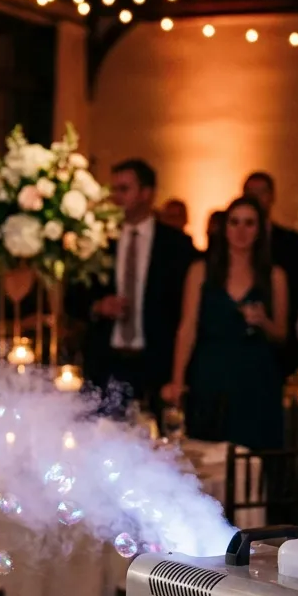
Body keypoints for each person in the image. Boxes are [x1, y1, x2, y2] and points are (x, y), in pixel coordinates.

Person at [162, 196, 288, 448]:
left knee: (253, 451)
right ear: (225, 227)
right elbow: (187, 328)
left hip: (256, 376)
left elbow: (281, 334)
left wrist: (263, 321)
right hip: (211, 371)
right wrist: (177, 380)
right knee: (207, 448)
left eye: (249, 223)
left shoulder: (274, 276)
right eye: (234, 222)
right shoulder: (201, 270)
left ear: (260, 230)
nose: (241, 231)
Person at [78, 158, 196, 416]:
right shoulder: (99, 239)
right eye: (114, 189)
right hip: (107, 360)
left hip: (155, 362)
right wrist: (99, 306)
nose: (116, 197)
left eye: (124, 189)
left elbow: (185, 307)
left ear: (146, 193)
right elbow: (74, 296)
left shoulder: (176, 245)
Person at [243, 171, 298, 372]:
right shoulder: (227, 246)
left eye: (261, 192)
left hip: (282, 348)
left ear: (272, 196)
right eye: (250, 193)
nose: (256, 198)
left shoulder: (294, 244)